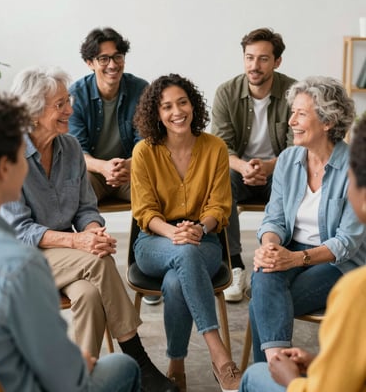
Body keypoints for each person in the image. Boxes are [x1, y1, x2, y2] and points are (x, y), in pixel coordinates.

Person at [0, 67, 178, 392]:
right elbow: (20, 230)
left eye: (69, 101)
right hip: (25, 258)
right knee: (97, 263)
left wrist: (94, 232)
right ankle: (137, 358)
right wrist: (79, 242)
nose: (70, 109)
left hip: (67, 253)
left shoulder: (70, 149)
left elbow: (85, 209)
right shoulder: (10, 156)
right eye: (60, 104)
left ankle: (78, 382)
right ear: (35, 112)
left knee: (90, 294)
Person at [239, 113, 366, 392]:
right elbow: (274, 218)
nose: (291, 120)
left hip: (339, 262)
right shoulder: (288, 158)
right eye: (291, 112)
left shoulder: (352, 164)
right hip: (291, 249)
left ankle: (271, 374)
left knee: (262, 303)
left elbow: (345, 242)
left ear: (327, 122)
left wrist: (293, 259)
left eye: (301, 114)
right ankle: (276, 367)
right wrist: (270, 246)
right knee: (264, 273)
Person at [131, 73, 241, 392]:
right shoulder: (143, 153)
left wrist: (198, 227)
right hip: (154, 242)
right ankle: (219, 355)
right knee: (183, 252)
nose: (177, 111)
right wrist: (173, 233)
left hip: (203, 240)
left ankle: (176, 364)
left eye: (182, 102)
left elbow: (219, 206)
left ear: (193, 105)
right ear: (157, 114)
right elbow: (144, 211)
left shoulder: (215, 148)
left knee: (177, 280)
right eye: (167, 106)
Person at [68, 26, 160, 306]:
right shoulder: (77, 94)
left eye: (117, 56)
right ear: (90, 62)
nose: (112, 64)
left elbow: (148, 141)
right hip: (93, 174)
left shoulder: (140, 89)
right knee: (71, 197)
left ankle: (145, 271)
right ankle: (81, 270)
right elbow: (75, 150)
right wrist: (103, 167)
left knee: (154, 194)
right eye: (103, 58)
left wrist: (128, 164)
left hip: (129, 170)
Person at [211, 28, 296, 302]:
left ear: (277, 62)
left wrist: (270, 168)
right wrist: (243, 167)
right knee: (218, 179)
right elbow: (220, 146)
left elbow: (298, 148)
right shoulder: (226, 92)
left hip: (279, 172)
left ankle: (280, 260)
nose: (254, 66)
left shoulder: (294, 93)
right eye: (249, 58)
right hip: (240, 172)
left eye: (262, 59)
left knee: (298, 178)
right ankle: (234, 265)